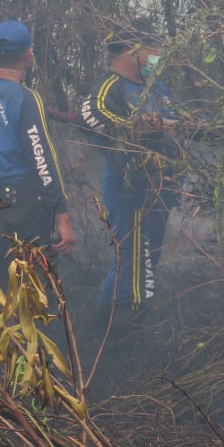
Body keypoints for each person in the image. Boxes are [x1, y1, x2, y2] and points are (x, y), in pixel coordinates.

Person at [0, 20, 75, 288]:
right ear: (28, 56)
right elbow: (42, 162)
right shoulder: (25, 98)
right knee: (33, 297)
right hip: (20, 214)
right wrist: (62, 216)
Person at [79, 25, 180, 326]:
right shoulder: (109, 86)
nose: (158, 56)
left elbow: (180, 122)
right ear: (133, 50)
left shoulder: (158, 87)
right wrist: (136, 127)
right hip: (130, 188)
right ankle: (119, 325)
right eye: (154, 49)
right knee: (133, 261)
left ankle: (118, 321)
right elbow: (92, 115)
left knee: (148, 259)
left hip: (161, 187)